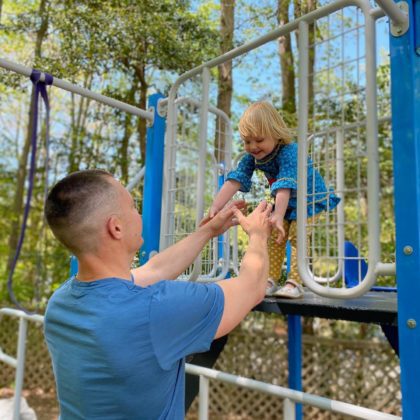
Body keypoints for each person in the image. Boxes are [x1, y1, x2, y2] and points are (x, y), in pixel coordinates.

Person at [43, 169, 271, 420]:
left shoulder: (59, 305)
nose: (137, 213)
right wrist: (259, 234)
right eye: (132, 206)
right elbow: (253, 287)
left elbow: (155, 270)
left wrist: (207, 232)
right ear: (116, 227)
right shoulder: (156, 310)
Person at [207, 101, 340, 298]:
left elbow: (284, 184)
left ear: (276, 134)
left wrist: (278, 214)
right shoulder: (251, 158)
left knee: (298, 235)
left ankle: (295, 281)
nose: (252, 147)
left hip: (309, 198)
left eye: (258, 140)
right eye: (247, 141)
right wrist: (216, 205)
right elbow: (235, 180)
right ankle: (269, 279)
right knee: (275, 238)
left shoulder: (290, 151)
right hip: (284, 202)